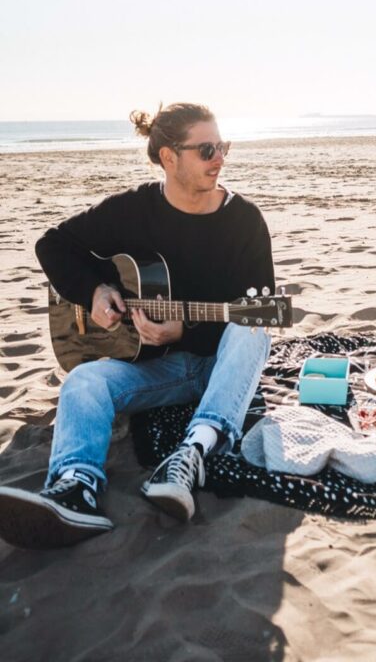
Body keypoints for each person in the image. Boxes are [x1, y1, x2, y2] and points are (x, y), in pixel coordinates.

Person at [0, 103, 275, 550]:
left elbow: (264, 307)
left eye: (222, 146)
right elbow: (53, 245)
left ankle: (193, 455)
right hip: (154, 370)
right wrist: (94, 291)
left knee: (253, 329)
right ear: (169, 158)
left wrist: (183, 333)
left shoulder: (244, 221)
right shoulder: (132, 211)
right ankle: (75, 487)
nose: (219, 158)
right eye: (206, 149)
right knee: (85, 380)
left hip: (220, 365)